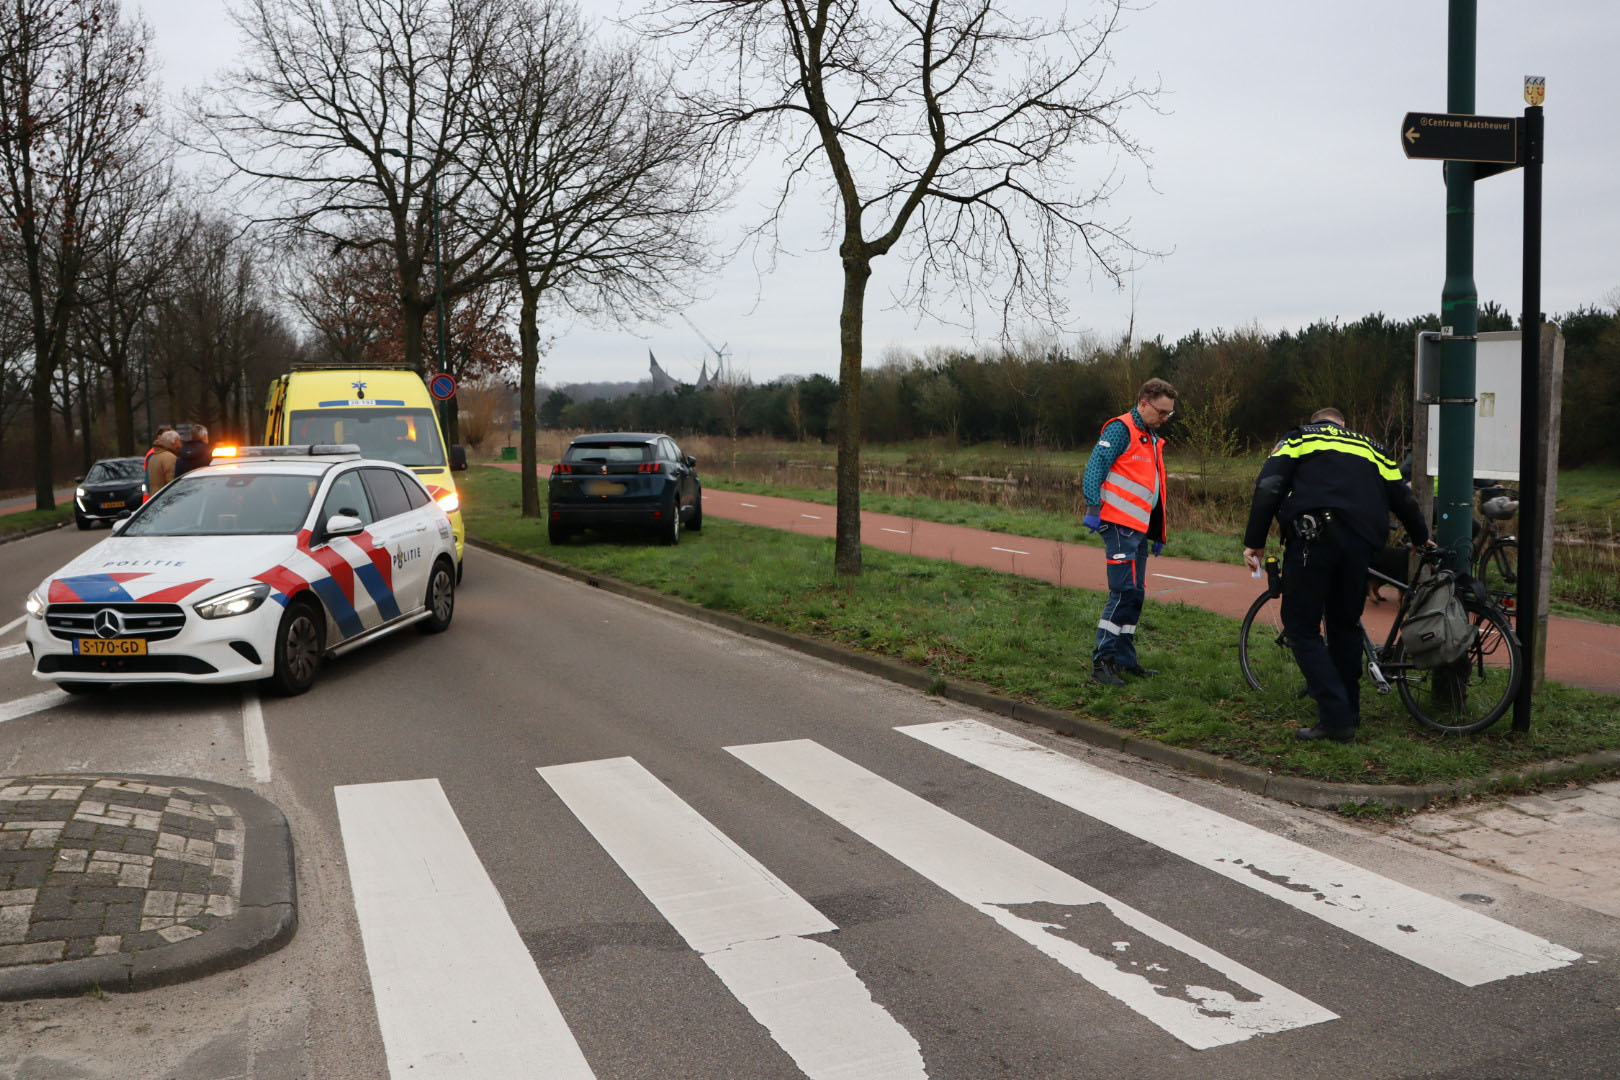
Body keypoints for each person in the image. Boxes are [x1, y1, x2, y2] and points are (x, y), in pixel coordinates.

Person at [1242, 407, 1432, 743]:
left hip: (1313, 541)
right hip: (1360, 546)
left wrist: (1254, 541)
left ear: (1316, 422)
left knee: (1301, 627)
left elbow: (1269, 486)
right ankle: (1350, 713)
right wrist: (1420, 537)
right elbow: (1403, 496)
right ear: (1344, 424)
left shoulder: (1298, 438)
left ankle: (1335, 716)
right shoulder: (1372, 447)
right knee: (1345, 626)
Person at [1081, 377, 1178, 686]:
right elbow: (1095, 466)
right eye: (1161, 412)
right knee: (1123, 592)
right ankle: (1102, 663)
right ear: (1144, 404)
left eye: (1169, 413)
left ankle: (1124, 660)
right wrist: (1093, 507)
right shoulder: (1120, 429)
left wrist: (1158, 532)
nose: (1165, 418)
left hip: (1138, 529)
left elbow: (1152, 489)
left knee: (1135, 594)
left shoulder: (1150, 437)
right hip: (1118, 524)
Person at [143, 427, 175, 502]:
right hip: (158, 499)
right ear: (159, 437)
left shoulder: (157, 453)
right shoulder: (154, 454)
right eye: (167, 436)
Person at [146, 430, 181, 497]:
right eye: (178, 441)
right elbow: (172, 483)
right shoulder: (170, 457)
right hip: (165, 497)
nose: (180, 444)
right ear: (174, 442)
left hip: (154, 497)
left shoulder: (154, 457)